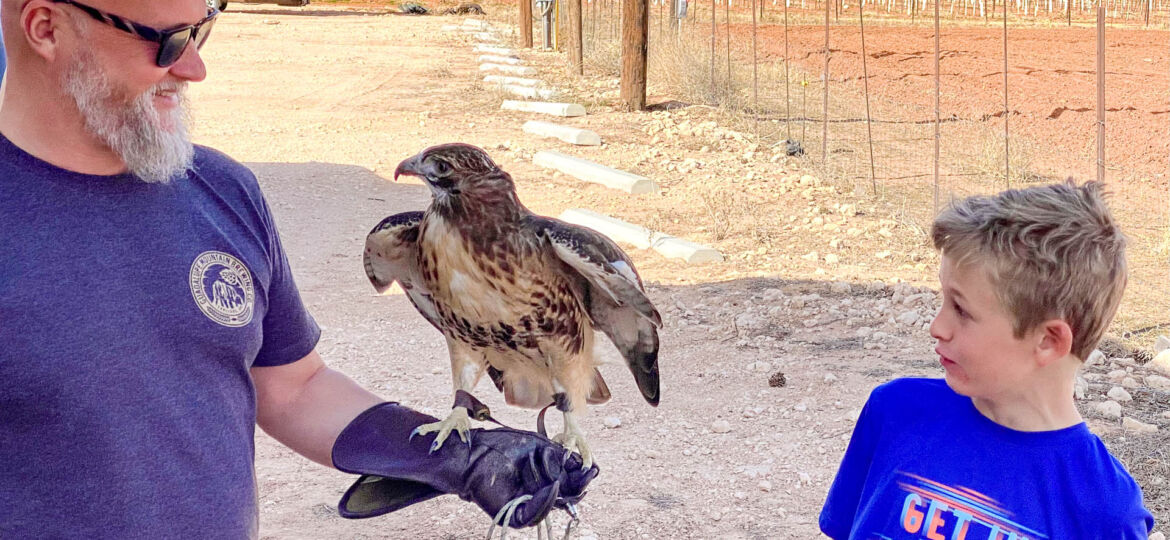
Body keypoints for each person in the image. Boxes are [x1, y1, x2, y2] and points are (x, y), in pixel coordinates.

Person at [0, 0, 595, 538]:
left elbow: (291, 387)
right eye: (167, 42)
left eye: (203, 31)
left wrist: (453, 459)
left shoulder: (223, 191)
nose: (193, 70)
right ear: (46, 29)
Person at [819, 181, 1155, 539]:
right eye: (943, 300)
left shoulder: (1103, 510)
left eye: (961, 309)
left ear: (1047, 340)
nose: (937, 326)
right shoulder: (895, 412)